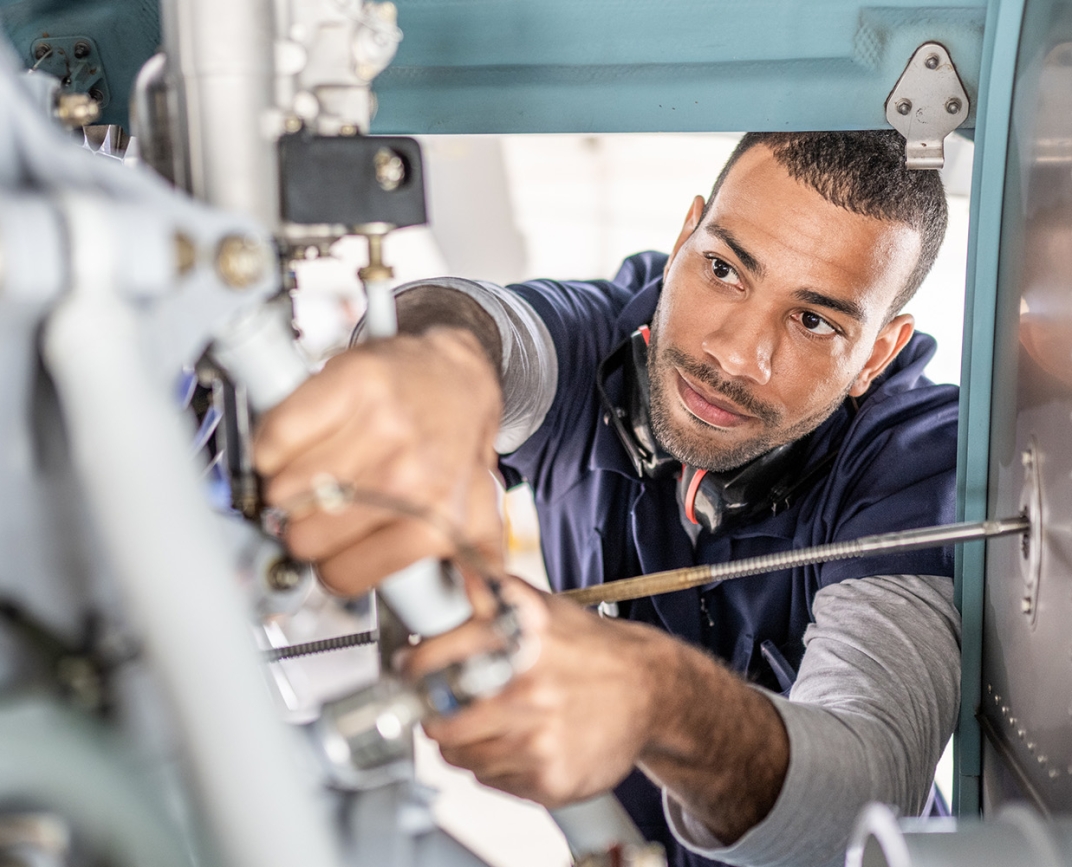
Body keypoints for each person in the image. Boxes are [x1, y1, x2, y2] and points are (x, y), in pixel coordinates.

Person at [254, 131, 959, 867]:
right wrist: (438, 367)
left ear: (876, 353)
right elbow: (483, 325)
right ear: (686, 236)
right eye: (723, 269)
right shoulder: (606, 335)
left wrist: (660, 698)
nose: (735, 353)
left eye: (814, 320)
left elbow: (869, 791)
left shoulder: (914, 457)